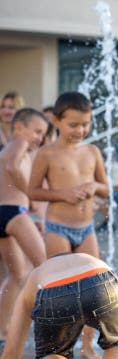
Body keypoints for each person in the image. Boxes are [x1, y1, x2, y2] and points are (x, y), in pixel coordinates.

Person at [28, 91, 110, 359]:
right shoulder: (47, 153)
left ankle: (88, 346)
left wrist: (93, 187)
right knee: (60, 290)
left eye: (85, 124)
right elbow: (33, 191)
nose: (81, 130)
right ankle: (57, 346)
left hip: (86, 228)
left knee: (94, 290)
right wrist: (63, 195)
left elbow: (106, 188)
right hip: (58, 228)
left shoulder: (92, 151)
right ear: (56, 120)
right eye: (74, 125)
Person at [0, 109, 49, 343]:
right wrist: (30, 196)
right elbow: (11, 167)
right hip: (14, 212)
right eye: (37, 131)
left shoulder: (16, 147)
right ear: (19, 127)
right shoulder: (17, 143)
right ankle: (53, 323)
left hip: (4, 214)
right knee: (45, 266)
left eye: (43, 133)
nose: (40, 137)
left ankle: (2, 329)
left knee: (18, 274)